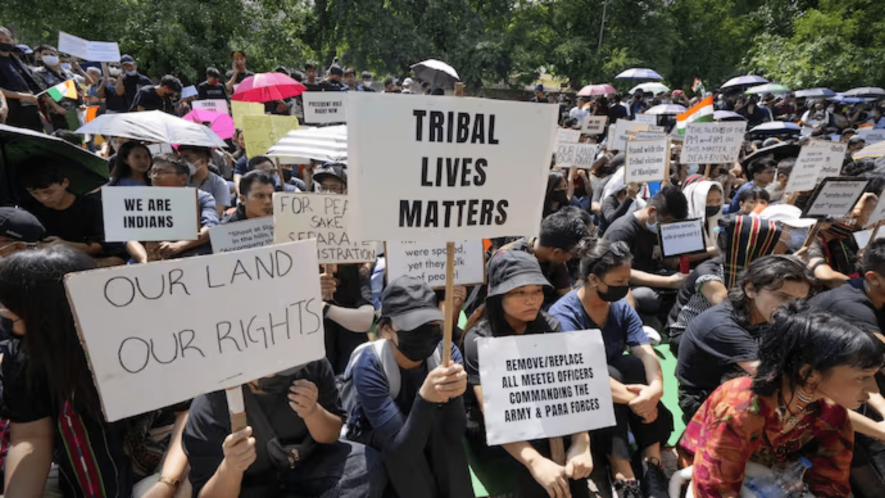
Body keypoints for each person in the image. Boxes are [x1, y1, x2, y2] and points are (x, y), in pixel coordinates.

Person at [0, 246, 191, 497]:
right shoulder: (24, 355)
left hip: (163, 454)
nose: (9, 332)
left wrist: (167, 483)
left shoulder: (140, 340)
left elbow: (187, 412)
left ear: (50, 318)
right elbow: (31, 437)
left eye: (11, 321)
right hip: (78, 464)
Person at [677, 305, 885, 498]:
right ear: (809, 374)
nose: (872, 389)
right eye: (861, 377)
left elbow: (830, 483)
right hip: (703, 476)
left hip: (772, 483)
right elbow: (713, 488)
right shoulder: (742, 407)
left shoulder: (831, 412)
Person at [463, 250, 594, 497]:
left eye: (536, 291)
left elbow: (570, 392)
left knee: (574, 478)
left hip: (546, 415)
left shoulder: (551, 328)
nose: (531, 300)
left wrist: (581, 443)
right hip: (500, 434)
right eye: (519, 292)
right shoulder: (479, 340)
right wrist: (536, 462)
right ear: (498, 295)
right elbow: (494, 414)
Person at [550, 239, 672, 498]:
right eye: (618, 283)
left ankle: (652, 463)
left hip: (616, 387)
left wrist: (656, 390)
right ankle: (622, 470)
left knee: (634, 364)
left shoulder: (620, 308)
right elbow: (584, 374)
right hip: (579, 396)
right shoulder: (564, 315)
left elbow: (646, 352)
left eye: (627, 281)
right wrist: (637, 400)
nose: (625, 288)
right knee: (613, 375)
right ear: (594, 279)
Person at [345, 276, 474, 497]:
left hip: (426, 429)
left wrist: (455, 396)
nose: (424, 333)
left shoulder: (445, 353)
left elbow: (454, 432)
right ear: (386, 329)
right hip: (382, 437)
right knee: (405, 462)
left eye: (431, 324)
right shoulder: (370, 365)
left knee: (446, 443)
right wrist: (425, 399)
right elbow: (402, 451)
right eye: (413, 327)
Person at [182, 358, 381, 497]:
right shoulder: (209, 406)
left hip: (306, 471)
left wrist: (313, 412)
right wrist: (231, 467)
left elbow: (331, 435)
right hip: (251, 489)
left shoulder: (312, 365)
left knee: (365, 464)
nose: (273, 373)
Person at [676, 255, 812, 422]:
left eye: (799, 300)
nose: (790, 307)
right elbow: (773, 380)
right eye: (782, 297)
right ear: (750, 289)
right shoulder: (721, 326)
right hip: (707, 405)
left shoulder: (770, 315)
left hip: (749, 389)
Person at [667, 215, 783, 356]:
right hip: (688, 336)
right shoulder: (710, 273)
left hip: (731, 331)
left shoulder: (756, 272)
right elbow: (729, 308)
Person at [602, 185, 690, 325]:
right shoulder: (621, 231)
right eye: (667, 222)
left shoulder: (659, 229)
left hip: (652, 275)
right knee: (647, 297)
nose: (669, 227)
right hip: (624, 285)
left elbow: (667, 262)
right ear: (652, 212)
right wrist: (669, 282)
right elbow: (619, 272)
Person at [19, 162, 122, 263]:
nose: (43, 198)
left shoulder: (94, 206)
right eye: (35, 193)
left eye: (49, 191)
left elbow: (106, 247)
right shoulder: (30, 211)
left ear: (65, 182)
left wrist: (66, 246)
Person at [128, 153, 216, 262]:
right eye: (152, 172)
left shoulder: (202, 198)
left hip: (190, 255)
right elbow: (129, 237)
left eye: (161, 172)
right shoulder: (141, 200)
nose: (155, 176)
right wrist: (144, 259)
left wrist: (179, 246)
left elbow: (211, 228)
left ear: (183, 178)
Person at [495, 210, 588, 308]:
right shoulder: (510, 260)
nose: (570, 258)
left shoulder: (554, 259)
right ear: (557, 252)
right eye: (572, 254)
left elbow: (566, 293)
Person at [33, 44, 80, 131]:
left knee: (76, 138)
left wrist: (81, 103)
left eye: (52, 54)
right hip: (55, 112)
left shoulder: (67, 73)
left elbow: (78, 89)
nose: (49, 56)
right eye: (45, 54)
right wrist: (57, 107)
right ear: (40, 56)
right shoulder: (38, 73)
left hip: (72, 110)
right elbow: (43, 93)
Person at [178, 145, 232, 215]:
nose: (184, 163)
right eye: (182, 159)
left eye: (188, 159)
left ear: (202, 161)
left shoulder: (220, 184)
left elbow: (216, 214)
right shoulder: (181, 181)